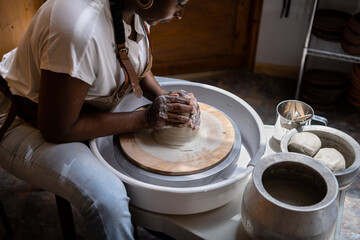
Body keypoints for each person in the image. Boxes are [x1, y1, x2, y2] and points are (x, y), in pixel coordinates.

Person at [0, 0, 200, 239]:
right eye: (180, 2)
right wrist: (148, 117)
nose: (181, 13)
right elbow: (57, 128)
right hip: (20, 115)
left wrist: (166, 101)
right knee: (108, 200)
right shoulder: (80, 29)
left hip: (79, 102)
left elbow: (133, 64)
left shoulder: (133, 7)